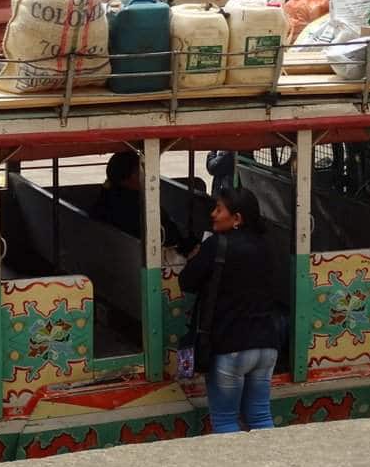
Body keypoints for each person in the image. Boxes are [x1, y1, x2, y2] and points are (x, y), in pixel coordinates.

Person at [178, 187, 281, 433]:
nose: (213, 214)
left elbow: (187, 282)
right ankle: (273, 466)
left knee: (225, 421)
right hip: (267, 346)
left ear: (237, 218)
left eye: (219, 209)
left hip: (230, 348)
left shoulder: (217, 245)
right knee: (260, 416)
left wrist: (195, 257)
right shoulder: (266, 245)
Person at [89, 151, 198, 255]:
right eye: (141, 169)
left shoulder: (106, 199)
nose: (145, 173)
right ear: (133, 175)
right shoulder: (134, 206)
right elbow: (165, 236)